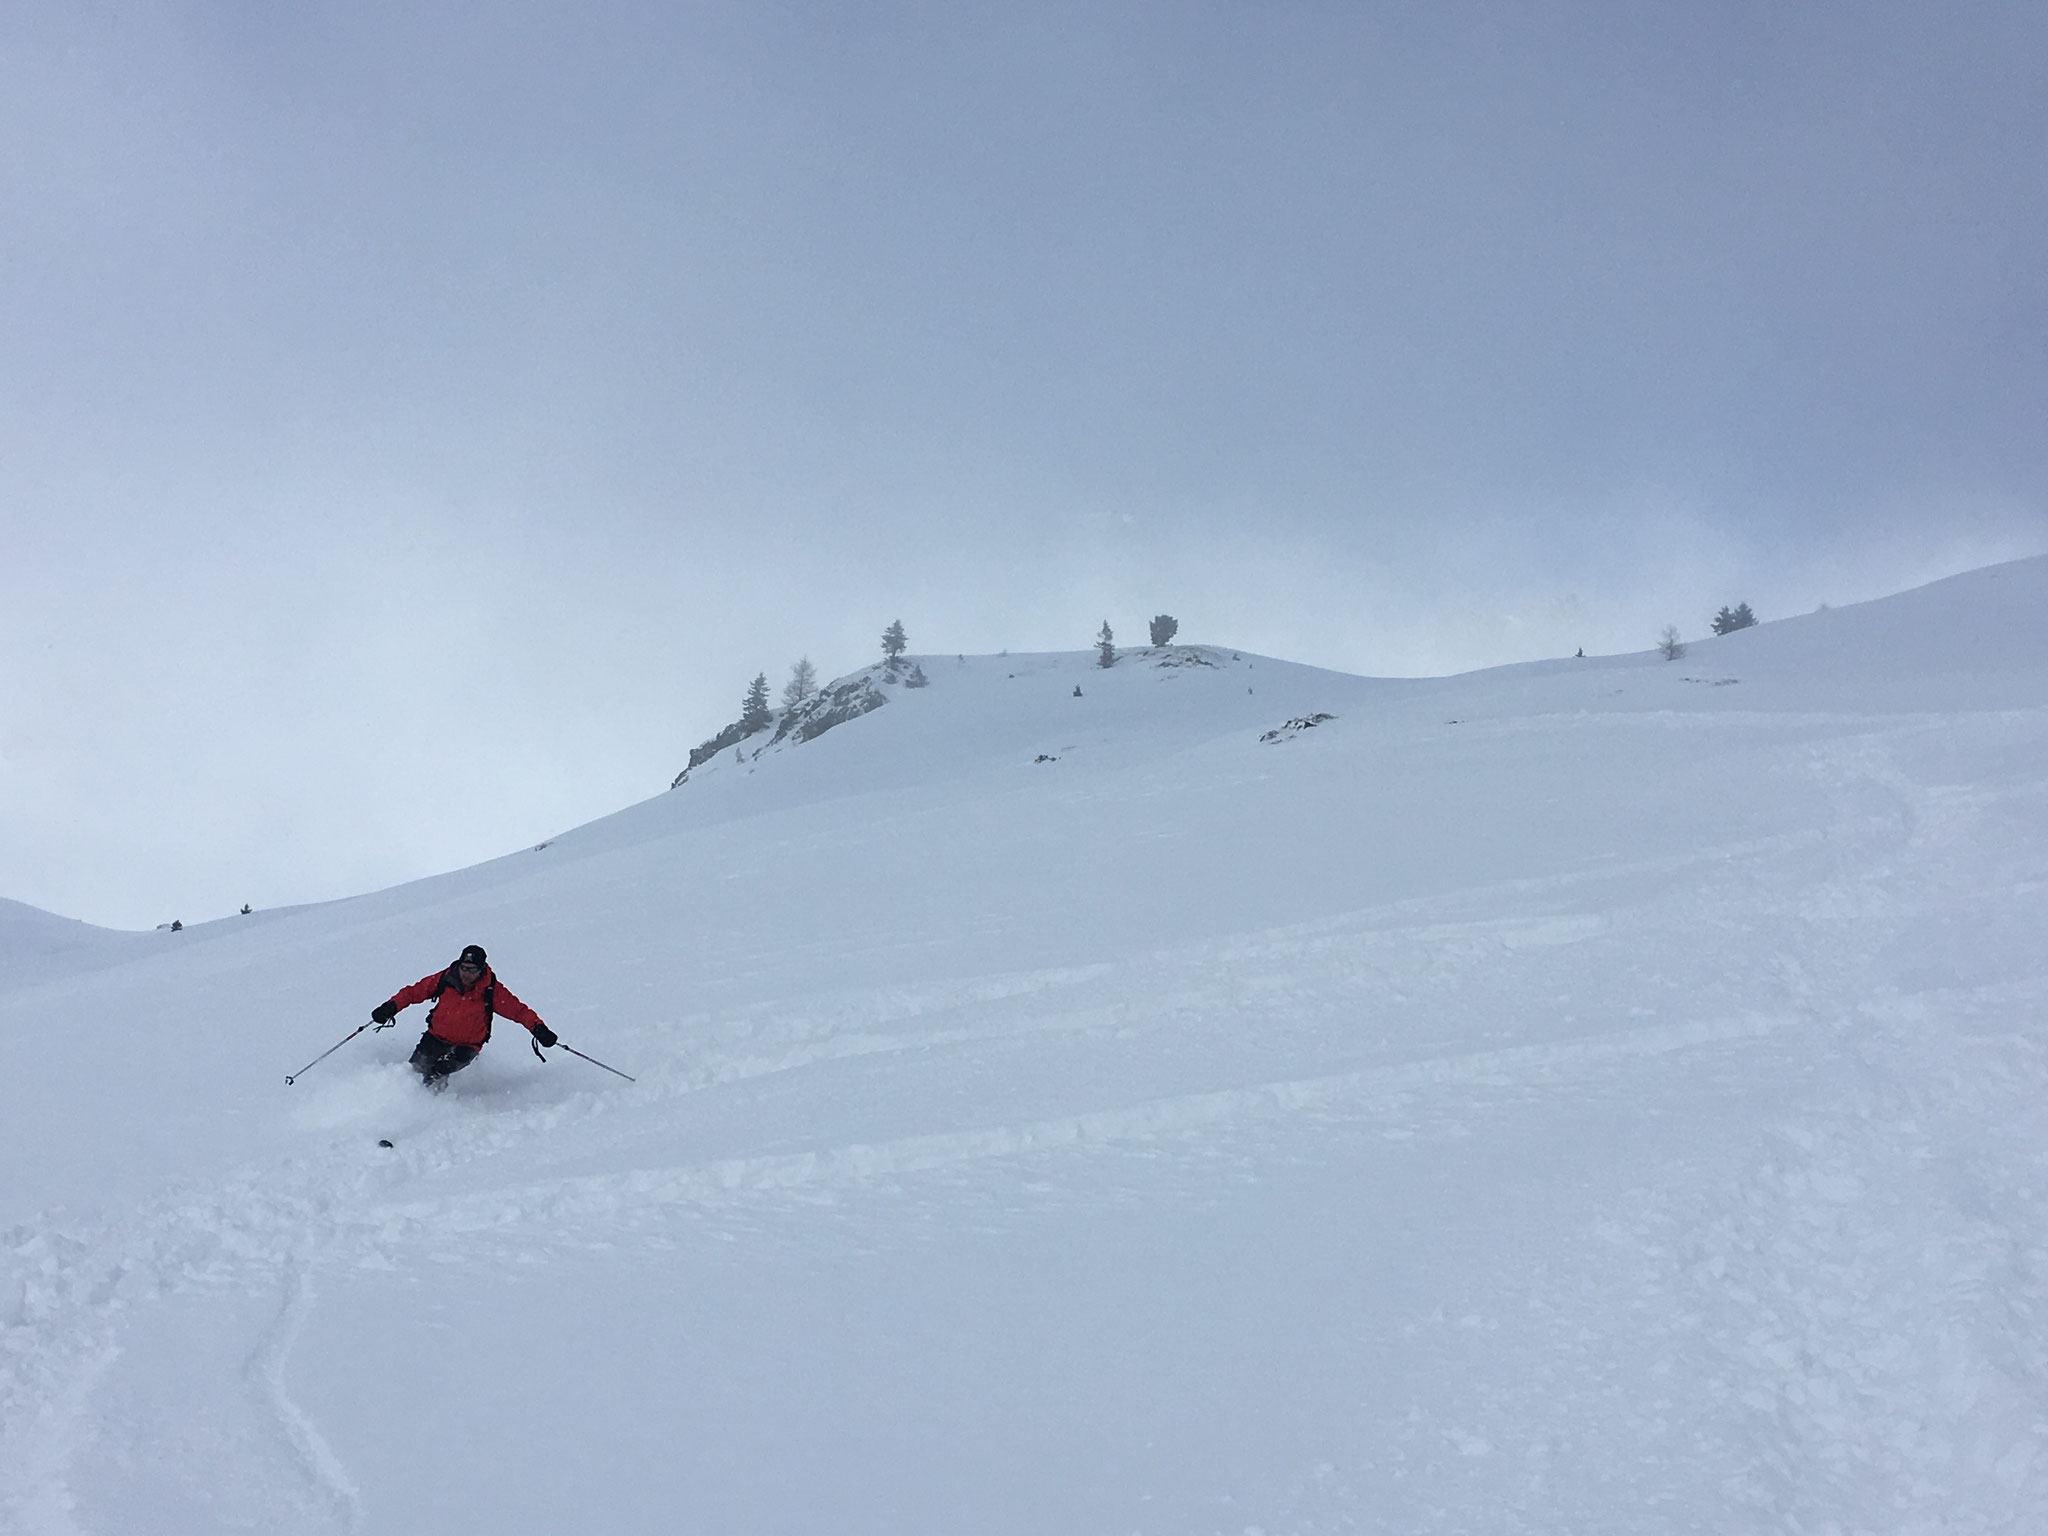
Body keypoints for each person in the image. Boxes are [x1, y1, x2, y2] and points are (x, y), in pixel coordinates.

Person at [370, 944, 557, 1090]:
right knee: (414, 1073)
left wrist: (539, 1029)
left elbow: (519, 1012)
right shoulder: (446, 978)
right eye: (464, 968)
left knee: (438, 1072)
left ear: (481, 969)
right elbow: (413, 992)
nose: (466, 973)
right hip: (435, 1037)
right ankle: (403, 1106)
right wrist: (390, 1007)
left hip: (466, 1047)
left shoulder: (492, 990)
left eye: (472, 970)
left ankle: (428, 1110)